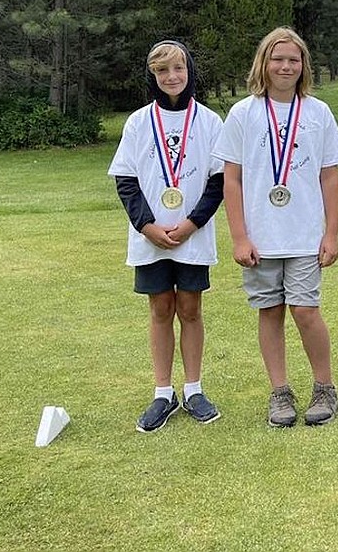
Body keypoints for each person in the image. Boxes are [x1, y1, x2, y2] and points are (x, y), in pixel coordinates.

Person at [213, 27, 338, 428]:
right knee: (269, 312)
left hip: (305, 235)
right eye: (278, 59)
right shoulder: (243, 113)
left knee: (306, 311)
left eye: (294, 59)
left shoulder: (318, 112)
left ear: (303, 65)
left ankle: (325, 388)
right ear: (264, 63)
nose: (286, 66)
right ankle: (280, 392)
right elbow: (231, 180)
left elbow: (330, 177)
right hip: (260, 238)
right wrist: (238, 236)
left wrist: (331, 233)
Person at [108, 41, 225, 432]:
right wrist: (147, 226)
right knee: (160, 310)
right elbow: (125, 180)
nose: (172, 77)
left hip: (193, 234)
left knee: (190, 309)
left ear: (189, 70)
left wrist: (192, 223)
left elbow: (219, 181)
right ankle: (163, 393)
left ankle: (193, 389)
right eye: (162, 72)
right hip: (150, 237)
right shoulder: (138, 122)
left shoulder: (209, 121)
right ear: (153, 77)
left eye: (178, 68)